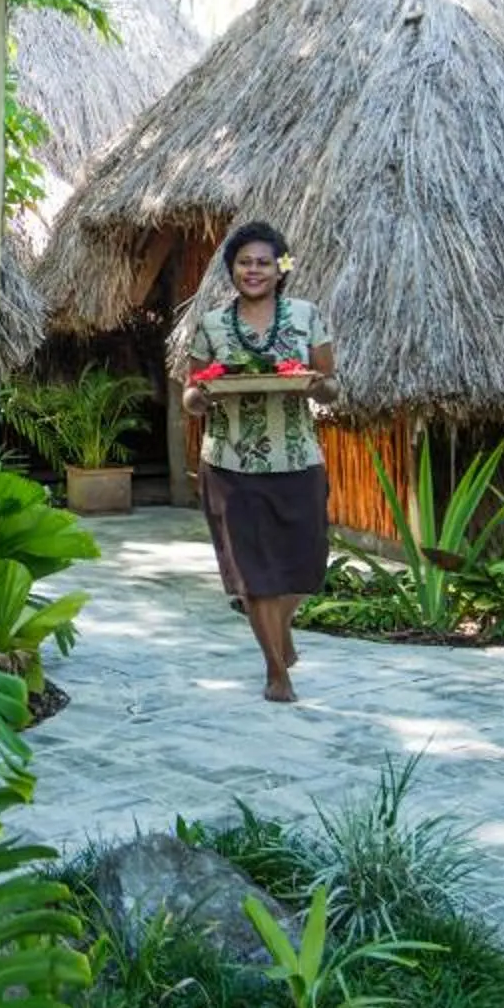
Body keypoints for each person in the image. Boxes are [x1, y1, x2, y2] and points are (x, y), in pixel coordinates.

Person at [177, 220, 335, 701]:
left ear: (279, 268)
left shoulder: (308, 316)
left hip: (298, 458)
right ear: (232, 269)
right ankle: (275, 671)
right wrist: (199, 399)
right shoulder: (211, 325)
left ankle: (281, 632)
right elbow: (190, 392)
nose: (253, 270)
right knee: (254, 573)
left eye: (263, 262)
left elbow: (330, 384)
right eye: (244, 262)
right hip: (230, 463)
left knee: (309, 565)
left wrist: (315, 385)